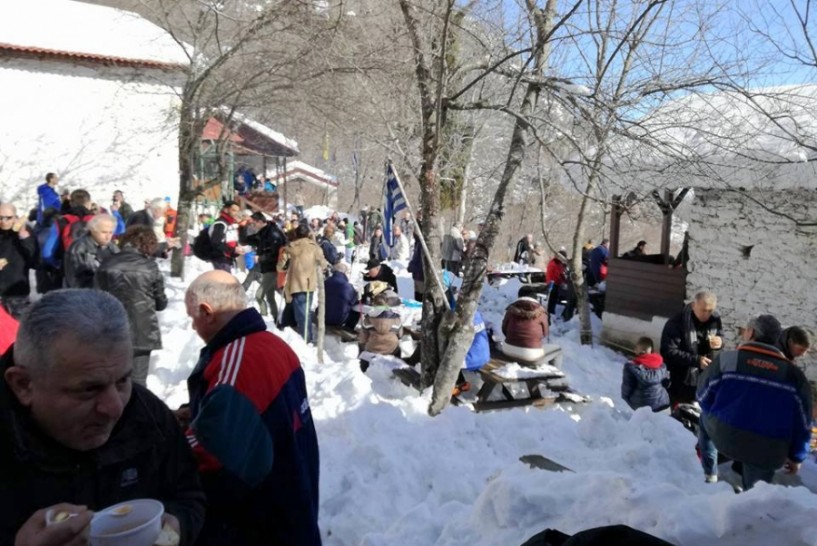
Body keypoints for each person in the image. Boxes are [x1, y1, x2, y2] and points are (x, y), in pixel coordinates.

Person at [0, 289, 205, 545]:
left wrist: (177, 527)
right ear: (23, 385)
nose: (114, 408)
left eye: (122, 380)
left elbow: (187, 494)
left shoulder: (147, 414)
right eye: (88, 389)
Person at [183, 271, 320, 545]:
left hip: (261, 521)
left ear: (207, 312)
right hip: (294, 499)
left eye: (192, 318)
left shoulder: (237, 362)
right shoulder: (273, 345)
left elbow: (210, 457)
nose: (193, 327)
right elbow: (258, 415)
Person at [697, 314, 812, 490]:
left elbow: (703, 396)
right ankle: (751, 499)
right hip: (769, 450)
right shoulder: (794, 375)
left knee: (704, 418)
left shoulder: (728, 359)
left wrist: (720, 413)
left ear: (751, 333)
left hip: (726, 437)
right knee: (756, 493)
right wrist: (797, 457)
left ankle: (710, 476)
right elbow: (804, 422)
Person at [95, 226, 168, 386]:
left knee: (111, 378)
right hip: (142, 329)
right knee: (138, 380)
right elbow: (161, 303)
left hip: (111, 328)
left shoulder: (106, 263)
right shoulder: (150, 267)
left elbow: (96, 298)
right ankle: (136, 409)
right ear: (149, 244)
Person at [660, 291, 723, 405]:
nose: (707, 315)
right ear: (694, 305)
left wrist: (719, 343)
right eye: (703, 310)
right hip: (681, 379)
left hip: (705, 376)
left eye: (710, 311)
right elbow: (668, 352)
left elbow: (718, 336)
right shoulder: (677, 323)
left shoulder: (714, 320)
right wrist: (696, 360)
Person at [280, 223, 328, 342]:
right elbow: (324, 264)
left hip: (295, 284)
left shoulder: (290, 247)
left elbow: (281, 267)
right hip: (309, 283)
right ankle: (306, 337)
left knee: (302, 313)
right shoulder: (315, 247)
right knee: (305, 311)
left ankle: (306, 338)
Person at [242, 212, 287, 324]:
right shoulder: (262, 233)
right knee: (270, 296)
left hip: (273, 269)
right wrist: (243, 226)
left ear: (260, 222)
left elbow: (275, 253)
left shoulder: (273, 233)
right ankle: (276, 319)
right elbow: (244, 240)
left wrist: (260, 258)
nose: (253, 226)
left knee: (259, 295)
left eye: (254, 224)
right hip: (266, 268)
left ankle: (264, 315)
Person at [64, 213, 119, 289]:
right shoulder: (78, 248)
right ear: (93, 230)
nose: (108, 236)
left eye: (110, 232)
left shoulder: (112, 247)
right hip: (87, 295)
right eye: (104, 232)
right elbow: (75, 279)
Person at [0, 203, 36, 318]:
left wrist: (23, 235)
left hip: (17, 293)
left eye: (8, 218)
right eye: (0, 218)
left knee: (18, 330)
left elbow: (35, 260)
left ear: (15, 217)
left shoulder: (25, 233)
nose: (3, 221)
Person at [621, 337, 670, 412]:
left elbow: (627, 389)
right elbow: (666, 383)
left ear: (640, 351)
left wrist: (626, 398)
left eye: (636, 347)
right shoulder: (660, 364)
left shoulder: (631, 367)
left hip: (641, 405)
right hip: (662, 403)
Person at [359, 293, 402, 372]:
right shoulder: (396, 317)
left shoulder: (368, 317)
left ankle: (364, 369)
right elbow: (400, 335)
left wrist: (363, 346)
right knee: (398, 349)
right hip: (391, 348)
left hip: (373, 347)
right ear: (386, 303)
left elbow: (362, 338)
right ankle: (398, 368)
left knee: (364, 351)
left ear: (374, 303)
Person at [500, 297, 550, 363]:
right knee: (558, 350)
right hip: (531, 354)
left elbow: (504, 329)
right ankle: (551, 371)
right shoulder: (541, 313)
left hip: (508, 350)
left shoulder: (510, 310)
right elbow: (545, 333)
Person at [209, 201, 245, 271]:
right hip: (220, 258)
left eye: (237, 211)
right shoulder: (221, 224)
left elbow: (231, 240)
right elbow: (216, 243)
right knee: (224, 280)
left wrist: (236, 249)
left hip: (228, 257)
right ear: (226, 210)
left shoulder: (230, 223)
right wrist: (233, 250)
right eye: (234, 210)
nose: (236, 213)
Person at [324, 262, 360, 331]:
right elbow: (354, 301)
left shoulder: (326, 282)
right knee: (356, 312)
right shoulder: (347, 286)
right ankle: (348, 329)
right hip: (340, 318)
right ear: (344, 273)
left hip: (324, 316)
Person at [407, 234, 425, 301]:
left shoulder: (422, 245)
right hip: (416, 276)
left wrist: (412, 267)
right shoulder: (417, 243)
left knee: (421, 297)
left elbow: (421, 263)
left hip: (421, 276)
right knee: (417, 295)